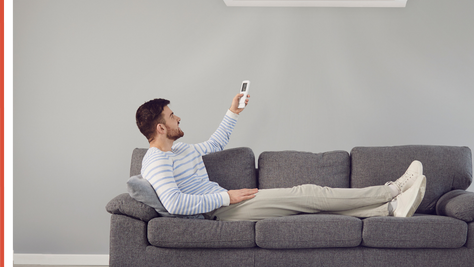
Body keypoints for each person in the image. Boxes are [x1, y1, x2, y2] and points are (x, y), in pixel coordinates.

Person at [135, 94, 426, 222]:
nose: (178, 118)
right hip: (220, 212)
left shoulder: (181, 150)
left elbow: (216, 142)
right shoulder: (157, 161)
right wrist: (227, 198)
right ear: (161, 127)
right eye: (173, 116)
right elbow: (173, 204)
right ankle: (393, 189)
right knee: (309, 193)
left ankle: (388, 210)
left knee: (307, 205)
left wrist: (233, 112)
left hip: (226, 203)